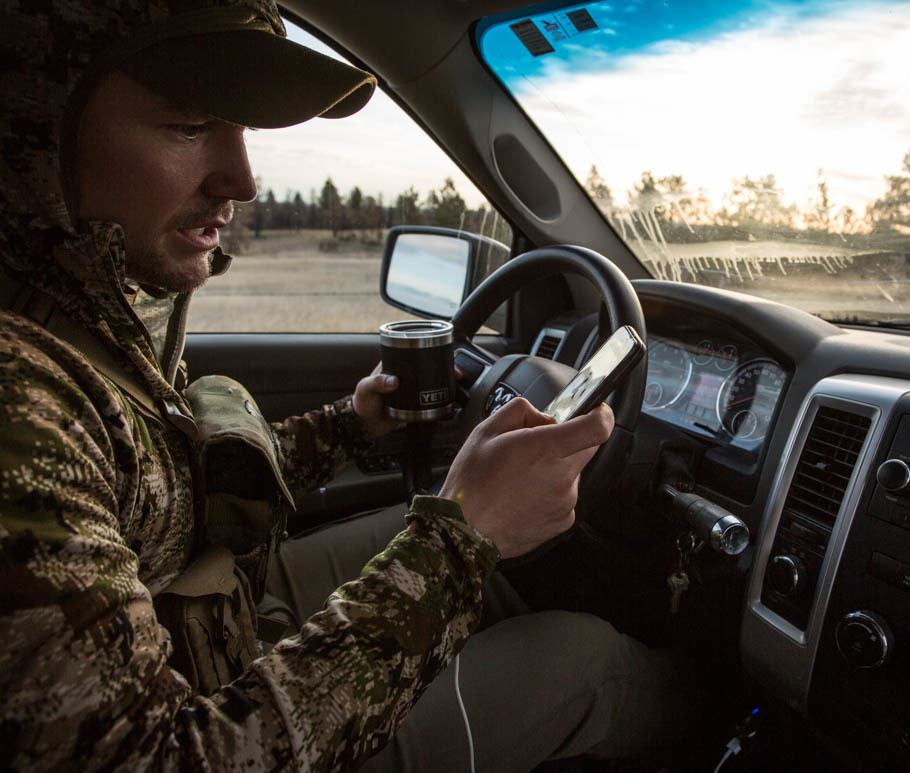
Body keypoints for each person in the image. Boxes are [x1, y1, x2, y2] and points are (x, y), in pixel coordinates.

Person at [0, 0, 692, 770]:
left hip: (210, 613)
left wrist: (350, 426)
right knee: (585, 658)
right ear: (32, 128)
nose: (244, 179)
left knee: (481, 549)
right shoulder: (17, 404)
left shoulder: (80, 319)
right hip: (213, 712)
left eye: (241, 131)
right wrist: (461, 543)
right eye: (190, 124)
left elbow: (165, 481)